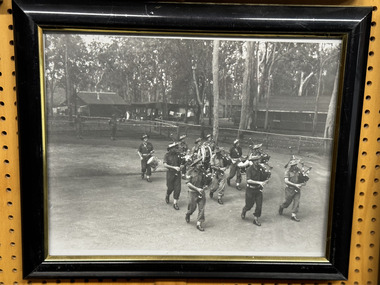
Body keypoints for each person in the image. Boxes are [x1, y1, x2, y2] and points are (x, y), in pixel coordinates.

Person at [241, 154, 269, 226]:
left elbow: (265, 176)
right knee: (249, 205)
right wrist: (259, 182)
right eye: (255, 160)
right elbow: (248, 180)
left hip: (258, 190)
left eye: (258, 160)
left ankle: (256, 219)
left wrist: (266, 179)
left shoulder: (261, 168)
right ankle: (244, 210)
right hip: (250, 189)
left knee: (259, 205)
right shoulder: (249, 169)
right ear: (252, 161)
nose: (257, 161)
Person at [278, 157, 307, 222]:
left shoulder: (298, 170)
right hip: (289, 189)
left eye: (296, 164)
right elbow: (286, 181)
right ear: (291, 166)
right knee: (287, 202)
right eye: (294, 165)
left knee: (297, 201)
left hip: (297, 189)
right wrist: (295, 185)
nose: (295, 166)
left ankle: (293, 215)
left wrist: (303, 182)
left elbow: (302, 175)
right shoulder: (287, 171)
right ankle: (282, 207)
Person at [185, 157, 208, 231]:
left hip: (201, 192)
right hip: (193, 193)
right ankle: (188, 214)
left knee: (202, 208)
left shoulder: (203, 171)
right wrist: (197, 189)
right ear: (195, 165)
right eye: (199, 163)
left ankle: (199, 223)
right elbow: (188, 183)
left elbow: (206, 181)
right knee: (192, 208)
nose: (201, 164)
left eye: (201, 163)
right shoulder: (190, 172)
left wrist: (205, 186)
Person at [163, 142, 182, 210]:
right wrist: (174, 167)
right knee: (170, 188)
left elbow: (181, 163)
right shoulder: (167, 155)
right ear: (170, 149)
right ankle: (168, 195)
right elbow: (165, 165)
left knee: (178, 188)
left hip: (177, 173)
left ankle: (175, 203)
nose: (175, 149)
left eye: (175, 147)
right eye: (174, 148)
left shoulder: (178, 155)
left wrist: (182, 165)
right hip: (170, 173)